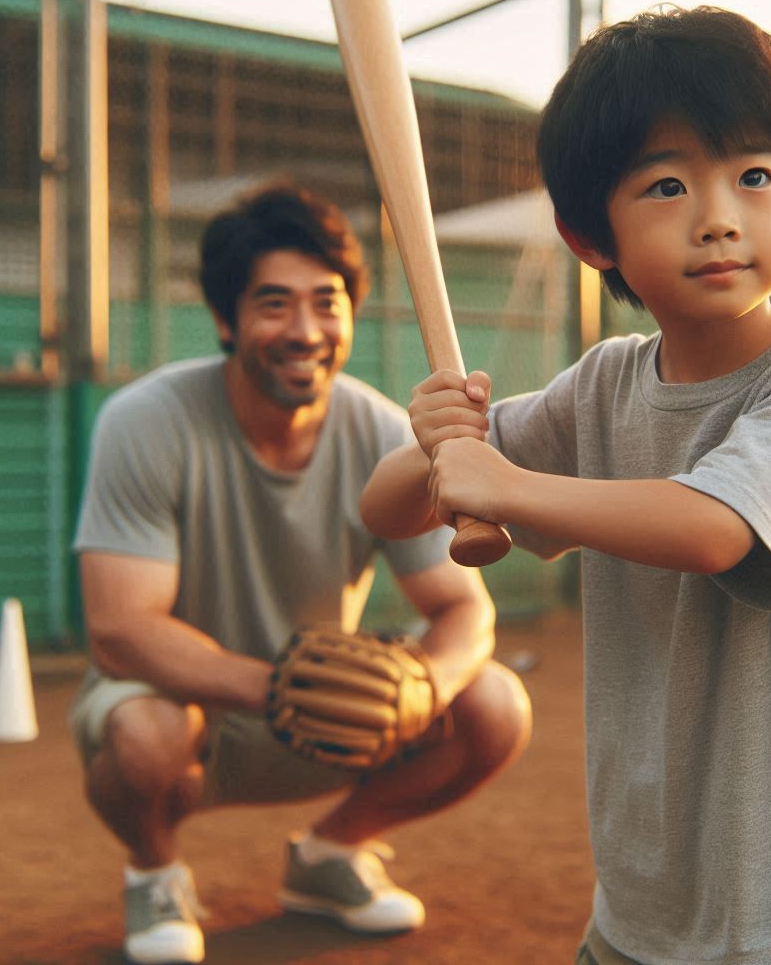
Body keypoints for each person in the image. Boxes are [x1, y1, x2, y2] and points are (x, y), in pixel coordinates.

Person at [359, 6, 771, 965]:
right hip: (648, 905)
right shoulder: (602, 386)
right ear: (591, 236)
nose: (719, 214)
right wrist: (434, 437)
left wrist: (501, 483)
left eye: (755, 175)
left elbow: (714, 527)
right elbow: (384, 507)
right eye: (668, 185)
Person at [69, 182, 532, 965]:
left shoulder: (383, 430)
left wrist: (419, 686)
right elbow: (121, 631)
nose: (306, 329)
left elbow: (465, 613)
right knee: (144, 731)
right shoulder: (145, 420)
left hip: (330, 721)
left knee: (493, 704)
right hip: (196, 717)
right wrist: (286, 691)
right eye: (275, 304)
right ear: (226, 319)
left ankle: (329, 856)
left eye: (327, 302)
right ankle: (155, 871)